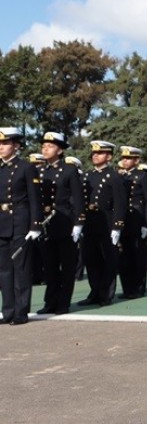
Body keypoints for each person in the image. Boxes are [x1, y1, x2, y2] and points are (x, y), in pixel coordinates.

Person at [36, 132, 83, 315]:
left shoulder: (69, 170)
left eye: (50, 146)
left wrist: (78, 223)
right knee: (50, 266)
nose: (45, 149)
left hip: (65, 223)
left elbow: (78, 199)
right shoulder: (40, 171)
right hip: (47, 225)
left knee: (67, 266)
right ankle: (50, 302)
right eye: (44, 146)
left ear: (60, 150)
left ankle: (63, 302)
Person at [0, 127, 43, 325]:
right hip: (2, 223)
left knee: (21, 269)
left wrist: (35, 225)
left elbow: (35, 199)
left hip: (20, 222)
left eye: (5, 143)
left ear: (16, 145)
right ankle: (7, 311)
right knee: (4, 270)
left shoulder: (26, 167)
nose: (1, 147)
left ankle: (21, 311)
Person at [79, 141, 127, 307]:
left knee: (108, 260)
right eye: (93, 153)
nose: (95, 156)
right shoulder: (87, 175)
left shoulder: (114, 177)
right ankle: (95, 292)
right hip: (90, 223)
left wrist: (117, 227)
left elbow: (120, 204)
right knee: (91, 259)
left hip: (107, 224)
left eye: (99, 153)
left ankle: (106, 293)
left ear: (108, 156)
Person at [117, 146, 147, 299]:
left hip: (137, 219)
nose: (125, 161)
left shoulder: (143, 176)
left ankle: (139, 288)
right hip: (124, 218)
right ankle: (127, 288)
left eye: (128, 158)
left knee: (137, 255)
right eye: (123, 158)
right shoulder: (120, 176)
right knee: (124, 255)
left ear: (136, 160)